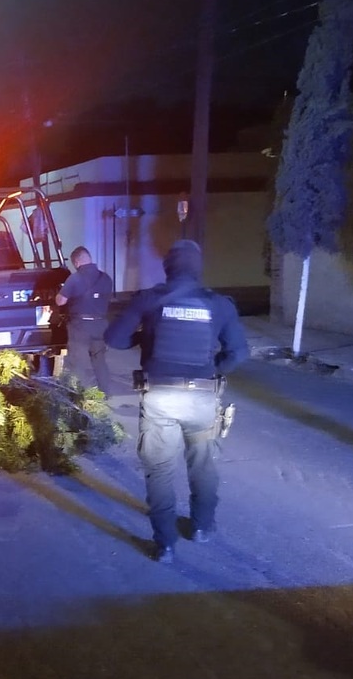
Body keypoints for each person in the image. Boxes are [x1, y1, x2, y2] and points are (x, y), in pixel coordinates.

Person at [104, 240, 249, 563]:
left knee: (159, 470)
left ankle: (166, 544)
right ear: (198, 267)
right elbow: (239, 352)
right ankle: (201, 527)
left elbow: (114, 338)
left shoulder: (150, 299)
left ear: (168, 267)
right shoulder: (218, 304)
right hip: (202, 399)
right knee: (203, 466)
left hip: (160, 398)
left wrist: (143, 337)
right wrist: (212, 372)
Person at [56, 246, 114, 393]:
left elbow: (61, 301)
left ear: (76, 262)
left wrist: (58, 295)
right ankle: (105, 392)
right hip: (100, 324)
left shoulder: (75, 278)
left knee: (78, 362)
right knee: (99, 360)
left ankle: (80, 395)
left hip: (80, 326)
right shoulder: (106, 278)